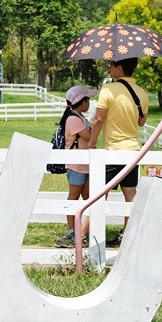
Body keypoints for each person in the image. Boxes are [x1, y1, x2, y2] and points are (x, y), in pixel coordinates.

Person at [88, 57, 149, 247]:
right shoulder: (142, 94)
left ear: (120, 68)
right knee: (130, 192)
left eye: (111, 65)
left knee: (100, 193)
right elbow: (141, 122)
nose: (109, 68)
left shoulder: (108, 90)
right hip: (133, 150)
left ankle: (81, 233)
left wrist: (91, 142)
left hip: (113, 150)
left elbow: (98, 119)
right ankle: (128, 235)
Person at [55, 85, 99, 248]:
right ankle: (71, 231)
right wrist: (97, 122)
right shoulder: (73, 119)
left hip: (85, 165)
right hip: (76, 165)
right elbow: (89, 138)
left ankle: (84, 229)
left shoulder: (78, 117)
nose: (90, 103)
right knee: (74, 197)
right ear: (82, 101)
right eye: (88, 100)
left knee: (88, 197)